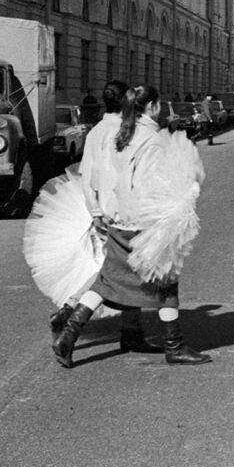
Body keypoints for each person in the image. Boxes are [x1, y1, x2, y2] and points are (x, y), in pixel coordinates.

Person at [52, 85, 211, 367]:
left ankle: (68, 336)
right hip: (144, 222)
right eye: (158, 103)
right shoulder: (151, 138)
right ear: (150, 106)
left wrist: (104, 210)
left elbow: (102, 176)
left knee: (105, 283)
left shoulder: (123, 133)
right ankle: (174, 346)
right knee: (165, 283)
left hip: (120, 220)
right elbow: (148, 185)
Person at [44, 80, 161, 354]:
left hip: (104, 209)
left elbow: (89, 175)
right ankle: (72, 317)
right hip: (123, 213)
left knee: (123, 271)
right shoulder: (125, 132)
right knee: (114, 273)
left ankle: (129, 331)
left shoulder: (97, 131)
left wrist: (95, 209)